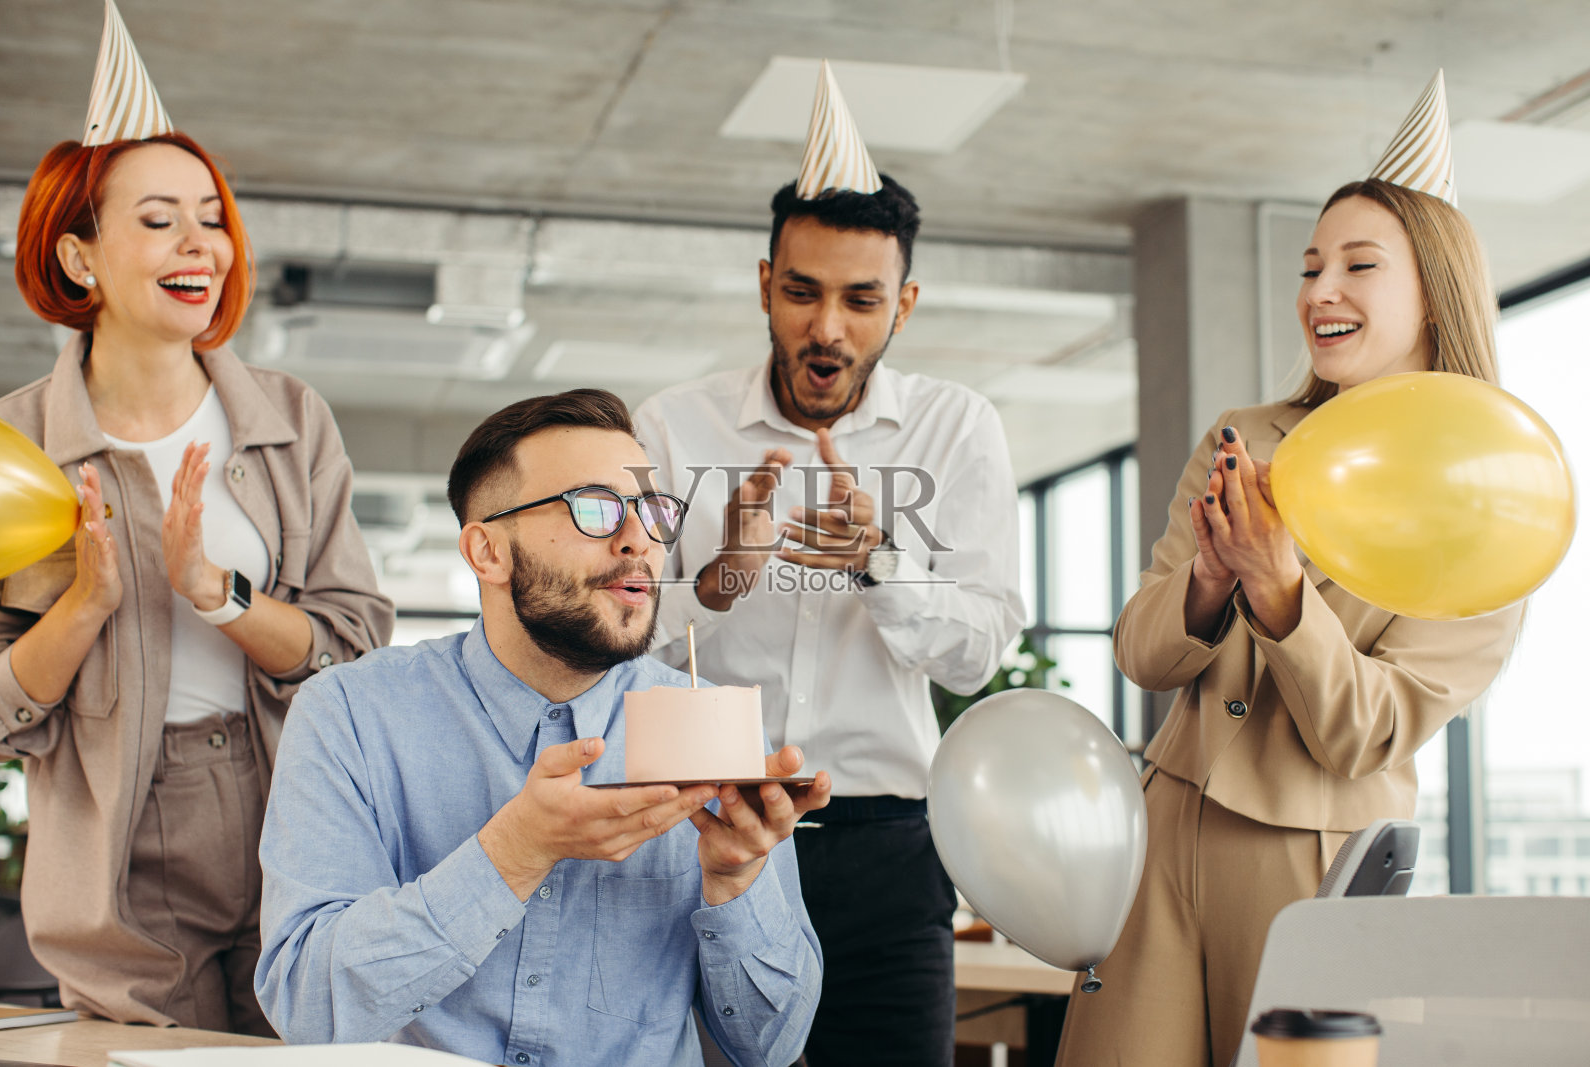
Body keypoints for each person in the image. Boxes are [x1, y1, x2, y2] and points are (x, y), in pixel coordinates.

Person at [1053, 75, 1526, 1067]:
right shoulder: (1244, 436)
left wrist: (1279, 593)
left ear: (1433, 294)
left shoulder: (1493, 500)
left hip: (1313, 857)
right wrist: (1211, 583)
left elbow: (1369, 732)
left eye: (1359, 265)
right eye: (1311, 266)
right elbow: (1141, 653)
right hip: (1164, 824)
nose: (1319, 291)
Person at [0, 2, 391, 1034]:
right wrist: (84, 606)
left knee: (300, 1045)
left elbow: (352, 640)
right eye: (158, 218)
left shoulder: (290, 417)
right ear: (80, 258)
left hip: (291, 798)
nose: (199, 243)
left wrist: (219, 596)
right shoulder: (12, 447)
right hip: (115, 833)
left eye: (210, 215)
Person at [634, 62, 1024, 1066]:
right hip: (708, 822)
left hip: (890, 844)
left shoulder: (955, 427)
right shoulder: (674, 425)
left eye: (861, 298)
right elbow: (624, 638)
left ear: (906, 302)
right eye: (801, 292)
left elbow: (977, 651)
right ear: (765, 284)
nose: (827, 327)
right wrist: (721, 574)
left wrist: (879, 561)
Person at [256, 389, 831, 1066]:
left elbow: (771, 1047)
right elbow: (306, 1005)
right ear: (487, 551)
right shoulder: (349, 714)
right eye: (595, 509)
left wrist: (738, 881)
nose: (638, 539)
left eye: (651, 511)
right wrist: (513, 853)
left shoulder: (718, 735)